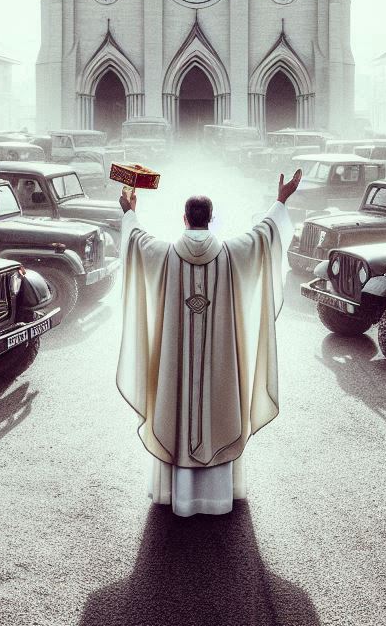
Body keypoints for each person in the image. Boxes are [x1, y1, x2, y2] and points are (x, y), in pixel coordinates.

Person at [116, 169, 302, 518]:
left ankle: (175, 494)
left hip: (177, 365)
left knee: (175, 404)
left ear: (184, 218)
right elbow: (265, 234)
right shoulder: (232, 253)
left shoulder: (164, 254)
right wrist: (282, 199)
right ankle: (219, 495)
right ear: (211, 220)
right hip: (220, 369)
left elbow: (135, 240)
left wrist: (129, 209)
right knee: (218, 407)